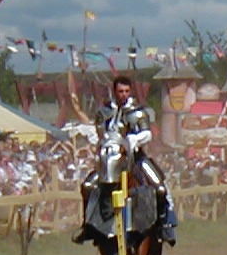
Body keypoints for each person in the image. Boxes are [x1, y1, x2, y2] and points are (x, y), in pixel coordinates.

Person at [73, 76, 177, 245]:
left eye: (127, 91)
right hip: (110, 160)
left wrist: (131, 141)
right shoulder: (104, 111)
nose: (124, 94)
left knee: (159, 187)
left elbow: (147, 133)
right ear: (114, 91)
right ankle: (88, 226)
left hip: (135, 158)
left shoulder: (138, 111)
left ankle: (163, 224)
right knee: (87, 186)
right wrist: (103, 143)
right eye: (120, 91)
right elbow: (98, 131)